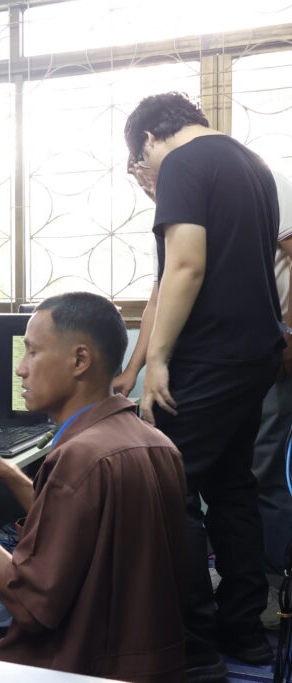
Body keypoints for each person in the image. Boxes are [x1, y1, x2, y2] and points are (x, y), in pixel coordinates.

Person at [0, 292, 186, 682]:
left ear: (80, 360)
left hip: (75, 666)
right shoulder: (157, 443)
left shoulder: (79, 457)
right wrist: (5, 470)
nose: (21, 369)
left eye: (33, 353)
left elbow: (28, 605)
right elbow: (81, 524)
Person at [121, 92, 284, 680]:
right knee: (233, 488)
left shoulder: (184, 164)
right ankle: (245, 631)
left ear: (147, 139)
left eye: (140, 162)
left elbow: (186, 266)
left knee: (169, 487)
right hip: (255, 355)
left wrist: (157, 361)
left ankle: (190, 643)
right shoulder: (251, 164)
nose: (144, 173)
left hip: (209, 356)